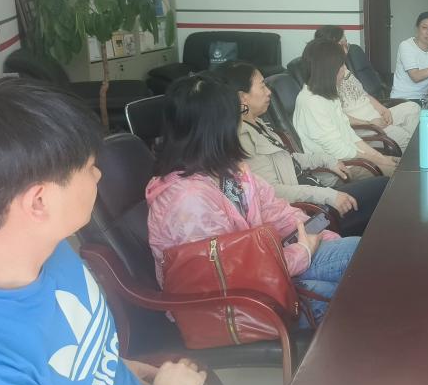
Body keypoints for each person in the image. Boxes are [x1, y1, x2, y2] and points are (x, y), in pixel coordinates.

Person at [0, 78, 365, 385]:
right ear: (38, 202)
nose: (98, 175)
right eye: (87, 167)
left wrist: (117, 370)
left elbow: (57, 351)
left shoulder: (42, 247)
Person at [147, 73, 361, 326]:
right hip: (228, 309)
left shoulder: (228, 172)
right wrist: (301, 252)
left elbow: (274, 210)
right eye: (235, 115)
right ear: (216, 128)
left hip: (269, 267)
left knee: (360, 256)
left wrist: (315, 235)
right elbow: (228, 277)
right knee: (345, 296)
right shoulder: (188, 201)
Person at [215, 60, 389, 235]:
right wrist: (328, 195)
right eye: (262, 86)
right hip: (309, 213)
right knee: (383, 188)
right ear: (242, 97)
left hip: (317, 193)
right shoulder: (242, 140)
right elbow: (273, 191)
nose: (269, 92)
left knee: (384, 188)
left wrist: (327, 160)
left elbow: (290, 159)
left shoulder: (258, 124)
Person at [296, 40, 400, 175]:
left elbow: (350, 135)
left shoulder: (329, 95)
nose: (345, 70)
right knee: (401, 174)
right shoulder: (311, 102)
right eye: (341, 66)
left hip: (354, 159)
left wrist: (381, 157)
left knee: (405, 166)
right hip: (338, 171)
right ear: (329, 71)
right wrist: (378, 160)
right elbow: (337, 150)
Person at [313, 25, 420, 151]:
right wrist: (370, 124)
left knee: (413, 108)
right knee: (406, 138)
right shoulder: (326, 80)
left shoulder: (344, 68)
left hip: (375, 117)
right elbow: (339, 118)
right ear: (327, 49)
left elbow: (363, 94)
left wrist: (383, 110)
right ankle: (403, 151)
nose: (346, 50)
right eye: (341, 45)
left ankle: (402, 152)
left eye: (346, 44)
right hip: (361, 128)